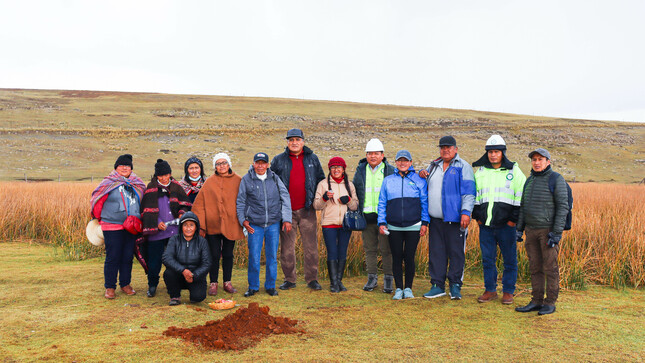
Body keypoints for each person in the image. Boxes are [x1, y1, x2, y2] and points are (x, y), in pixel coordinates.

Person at [471, 135, 526, 305]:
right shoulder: (480, 172)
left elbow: (521, 197)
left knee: (510, 259)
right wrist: (478, 218)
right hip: (486, 226)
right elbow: (475, 197)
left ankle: (508, 291)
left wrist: (512, 221)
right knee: (488, 259)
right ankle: (490, 290)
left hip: (506, 226)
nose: (493, 155)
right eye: (490, 152)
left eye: (497, 152)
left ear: (503, 153)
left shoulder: (514, 171)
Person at [419, 136, 475, 300]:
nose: (445, 150)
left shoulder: (463, 166)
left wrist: (466, 211)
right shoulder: (433, 165)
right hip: (435, 220)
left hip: (456, 219)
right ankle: (437, 285)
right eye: (442, 147)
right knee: (436, 253)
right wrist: (422, 174)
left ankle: (455, 285)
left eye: (449, 147)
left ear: (455, 149)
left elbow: (469, 192)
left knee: (456, 253)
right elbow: (427, 185)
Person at [515, 148, 569, 316]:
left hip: (547, 231)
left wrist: (556, 233)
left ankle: (550, 302)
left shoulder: (556, 179)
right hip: (530, 231)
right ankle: (536, 300)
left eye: (540, 159)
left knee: (550, 268)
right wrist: (519, 229)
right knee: (535, 267)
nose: (536, 162)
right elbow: (523, 207)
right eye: (534, 159)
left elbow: (563, 207)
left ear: (548, 162)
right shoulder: (529, 180)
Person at [270, 129, 325, 291]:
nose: (294, 142)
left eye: (297, 139)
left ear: (303, 141)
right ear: (287, 142)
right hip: (286, 213)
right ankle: (289, 279)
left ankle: (312, 279)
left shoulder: (312, 159)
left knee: (311, 247)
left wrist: (317, 200)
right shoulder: (279, 160)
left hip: (307, 210)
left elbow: (321, 180)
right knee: (287, 248)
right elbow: (271, 182)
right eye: (291, 139)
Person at [90, 154, 146, 299]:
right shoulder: (108, 182)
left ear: (131, 168)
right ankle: (110, 287)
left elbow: (144, 200)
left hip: (131, 227)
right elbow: (97, 199)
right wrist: (98, 218)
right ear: (116, 167)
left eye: (127, 165)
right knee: (113, 256)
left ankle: (125, 284)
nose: (125, 168)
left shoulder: (137, 183)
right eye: (121, 165)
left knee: (127, 256)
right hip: (111, 226)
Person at [237, 152, 293, 297]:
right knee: (254, 257)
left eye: (263, 163)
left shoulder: (274, 178)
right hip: (254, 225)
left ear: (267, 165)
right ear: (253, 163)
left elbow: (285, 197)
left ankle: (270, 286)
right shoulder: (246, 179)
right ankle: (253, 287)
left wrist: (287, 219)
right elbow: (241, 201)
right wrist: (243, 220)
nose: (260, 166)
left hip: (273, 224)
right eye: (258, 162)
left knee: (272, 257)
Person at [377, 150, 429, 300]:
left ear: (411, 163)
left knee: (409, 257)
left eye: (405, 160)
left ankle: (409, 288)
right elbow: (382, 203)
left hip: (414, 225)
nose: (402, 163)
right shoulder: (388, 180)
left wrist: (425, 223)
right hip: (393, 227)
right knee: (397, 257)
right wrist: (382, 222)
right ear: (396, 162)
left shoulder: (419, 180)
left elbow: (424, 203)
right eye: (399, 160)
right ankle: (399, 288)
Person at [191, 153, 244, 296]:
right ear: (215, 166)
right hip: (212, 225)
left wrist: (243, 219)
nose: (221, 166)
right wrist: (201, 225)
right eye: (218, 164)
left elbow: (245, 200)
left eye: (224, 163)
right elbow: (199, 204)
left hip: (231, 224)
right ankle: (213, 283)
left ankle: (227, 282)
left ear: (229, 164)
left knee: (228, 254)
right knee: (213, 254)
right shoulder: (209, 182)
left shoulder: (238, 180)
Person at [141, 159, 192, 298]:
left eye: (166, 174)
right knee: (154, 261)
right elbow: (146, 210)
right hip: (156, 233)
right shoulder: (151, 188)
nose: (163, 178)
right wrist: (157, 222)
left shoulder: (176, 186)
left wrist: (182, 214)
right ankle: (152, 285)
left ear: (170, 173)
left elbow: (185, 205)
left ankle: (175, 284)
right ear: (156, 176)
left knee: (175, 260)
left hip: (174, 232)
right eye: (160, 175)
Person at [352, 138, 395, 293]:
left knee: (386, 249)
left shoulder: (389, 170)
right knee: (369, 249)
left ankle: (388, 280)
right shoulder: (360, 171)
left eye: (376, 153)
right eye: (370, 153)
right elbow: (355, 190)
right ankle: (372, 279)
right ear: (366, 155)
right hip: (366, 218)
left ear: (382, 155)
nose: (373, 156)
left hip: (385, 218)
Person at [313, 157, 359, 293]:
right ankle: (334, 283)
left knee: (342, 252)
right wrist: (324, 198)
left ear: (343, 169)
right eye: (333, 167)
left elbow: (355, 206)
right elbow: (316, 205)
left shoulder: (349, 185)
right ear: (330, 169)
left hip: (345, 224)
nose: (336, 169)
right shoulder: (323, 184)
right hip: (329, 223)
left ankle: (339, 281)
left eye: (339, 167)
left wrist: (349, 201)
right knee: (332, 252)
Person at [162, 211, 211, 305]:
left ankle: (194, 292)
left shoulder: (202, 241)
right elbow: (167, 258)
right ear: (181, 227)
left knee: (198, 297)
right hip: (179, 275)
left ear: (196, 227)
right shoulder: (174, 239)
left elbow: (207, 263)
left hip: (195, 277)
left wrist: (194, 275)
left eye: (191, 225)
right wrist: (183, 270)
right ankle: (175, 296)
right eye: (185, 225)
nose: (188, 228)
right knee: (168, 273)